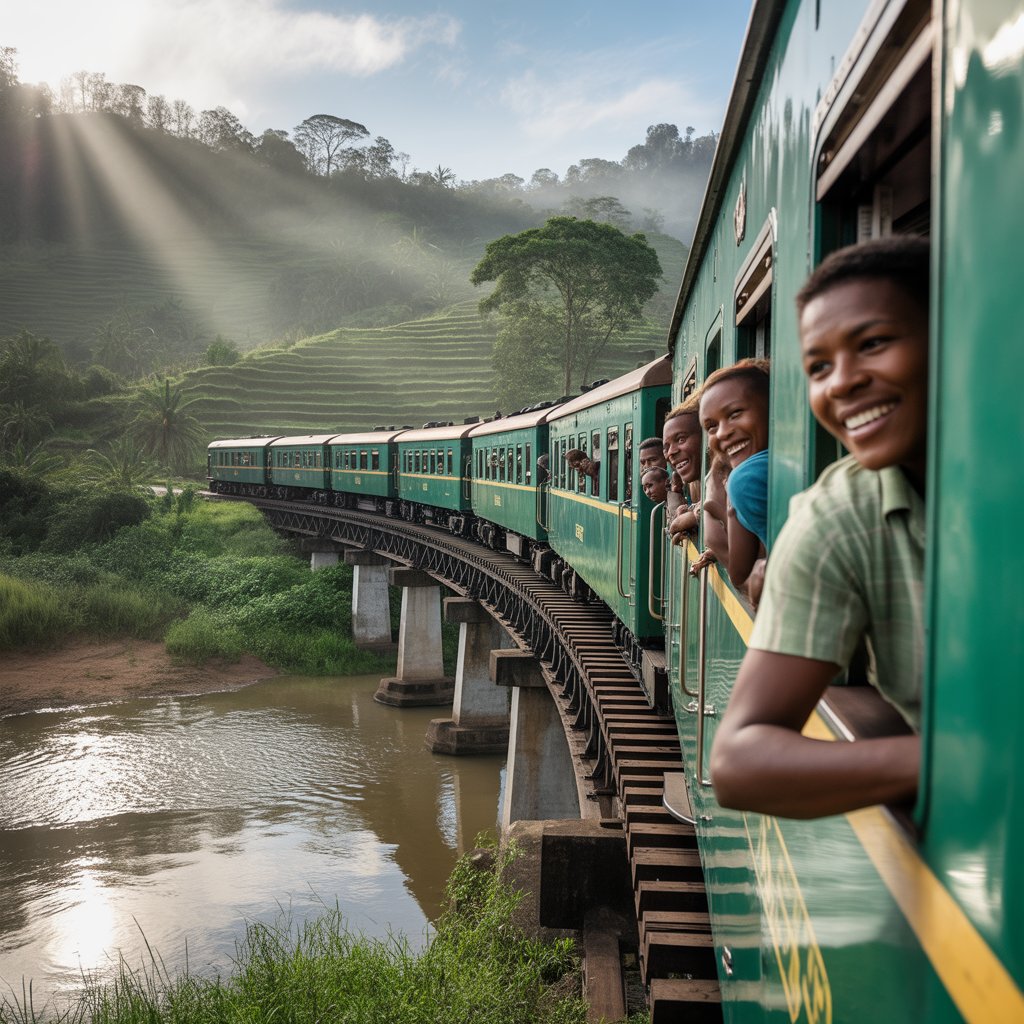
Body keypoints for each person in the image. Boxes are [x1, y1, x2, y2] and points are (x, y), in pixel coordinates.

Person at [711, 235, 929, 819]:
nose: (842, 383)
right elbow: (737, 764)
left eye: (875, 343)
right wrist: (949, 763)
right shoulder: (838, 514)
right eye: (818, 367)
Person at [698, 360, 770, 588]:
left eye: (735, 413)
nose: (722, 433)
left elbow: (739, 574)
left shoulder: (747, 478)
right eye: (711, 427)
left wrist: (722, 509)